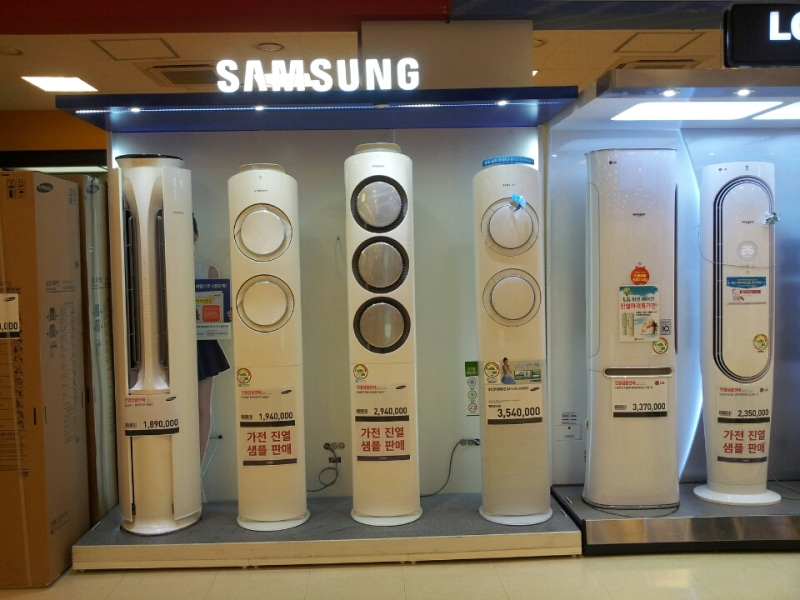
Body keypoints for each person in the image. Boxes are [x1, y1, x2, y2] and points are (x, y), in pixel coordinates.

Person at [193, 215, 230, 463]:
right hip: (171, 344)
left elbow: (219, 318)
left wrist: (227, 315)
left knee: (202, 408)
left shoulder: (209, 270)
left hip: (203, 344)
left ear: (196, 235)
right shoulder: (160, 270)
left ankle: (195, 471)